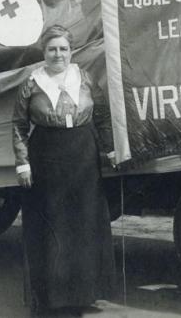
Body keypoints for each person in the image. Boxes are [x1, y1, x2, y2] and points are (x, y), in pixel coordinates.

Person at [13, 25, 115, 316]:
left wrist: (109, 149)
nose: (58, 55)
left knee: (82, 224)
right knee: (52, 226)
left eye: (63, 49)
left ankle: (81, 295)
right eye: (52, 49)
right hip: (46, 155)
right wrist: (23, 163)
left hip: (83, 154)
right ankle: (50, 298)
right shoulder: (31, 83)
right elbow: (19, 126)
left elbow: (103, 115)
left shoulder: (84, 78)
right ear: (44, 52)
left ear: (71, 52)